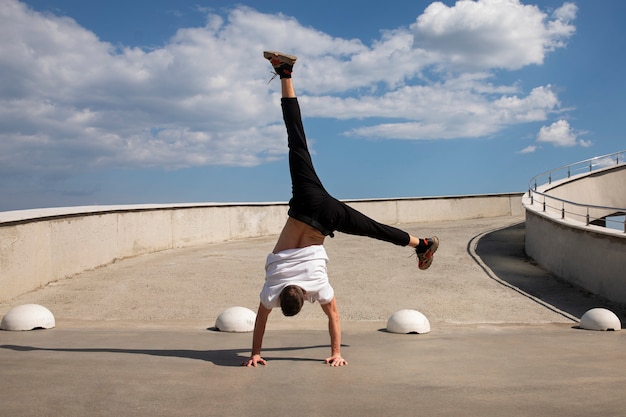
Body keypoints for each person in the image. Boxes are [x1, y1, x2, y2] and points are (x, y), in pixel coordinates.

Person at [242, 51, 439, 367]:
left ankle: (422, 244)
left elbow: (332, 314)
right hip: (307, 203)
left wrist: (336, 353)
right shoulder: (270, 292)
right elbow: (261, 319)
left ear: (302, 298)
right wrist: (254, 352)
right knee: (296, 140)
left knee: (373, 229)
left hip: (326, 217)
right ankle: (286, 74)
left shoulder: (317, 289)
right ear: (281, 296)